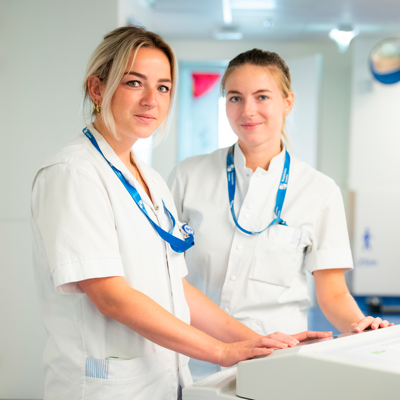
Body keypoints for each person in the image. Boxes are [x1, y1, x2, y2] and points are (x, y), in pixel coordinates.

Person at [31, 29, 329, 400]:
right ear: (97, 88)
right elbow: (110, 295)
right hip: (105, 385)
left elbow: (176, 286)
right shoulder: (73, 172)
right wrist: (220, 351)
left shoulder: (150, 179)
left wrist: (262, 342)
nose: (150, 100)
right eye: (134, 82)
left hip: (163, 381)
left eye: (163, 87)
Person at [168, 48, 394, 381]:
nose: (248, 110)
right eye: (235, 98)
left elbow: (333, 292)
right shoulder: (188, 176)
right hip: (195, 358)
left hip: (277, 362)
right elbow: (166, 274)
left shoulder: (319, 191)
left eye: (262, 97)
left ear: (287, 102)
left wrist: (361, 325)